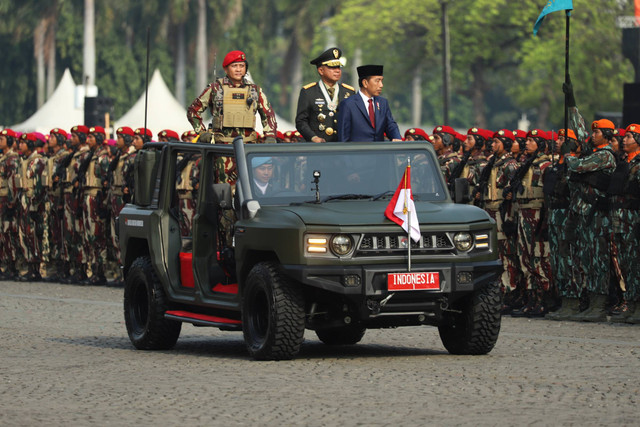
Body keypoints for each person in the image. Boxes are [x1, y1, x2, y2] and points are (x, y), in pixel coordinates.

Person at [565, 119, 616, 321]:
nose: (592, 135)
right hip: (587, 212)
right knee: (588, 257)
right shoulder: (595, 152)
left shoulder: (605, 156)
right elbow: (579, 132)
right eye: (592, 132)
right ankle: (592, 300)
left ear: (606, 134)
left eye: (597, 133)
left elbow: (578, 166)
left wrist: (568, 156)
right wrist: (572, 107)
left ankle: (600, 304)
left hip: (598, 214)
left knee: (598, 259)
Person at [187, 50, 277, 144]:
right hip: (221, 148)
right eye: (234, 66)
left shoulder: (255, 90)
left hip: (247, 147)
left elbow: (268, 115)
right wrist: (202, 133)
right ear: (226, 69)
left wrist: (270, 136)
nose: (238, 70)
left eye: (242, 66)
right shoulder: (215, 89)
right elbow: (193, 111)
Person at [295, 47, 355, 142]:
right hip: (319, 148)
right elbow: (301, 121)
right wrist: (313, 137)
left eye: (338, 67)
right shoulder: (308, 92)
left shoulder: (349, 92)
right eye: (332, 67)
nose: (337, 70)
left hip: (343, 147)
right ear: (321, 71)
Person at [337, 64, 402, 142]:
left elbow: (391, 125)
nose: (381, 85)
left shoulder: (382, 103)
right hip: (358, 153)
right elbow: (343, 137)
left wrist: (396, 137)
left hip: (379, 152)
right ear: (365, 83)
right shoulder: (348, 104)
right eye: (377, 81)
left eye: (381, 81)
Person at [81, 126, 111, 286]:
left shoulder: (102, 158)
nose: (88, 140)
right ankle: (92, 269)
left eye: (91, 137)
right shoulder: (91, 156)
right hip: (88, 197)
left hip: (96, 197)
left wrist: (103, 203)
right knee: (89, 236)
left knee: (97, 235)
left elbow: (107, 182)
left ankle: (100, 271)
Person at [0, 129, 21, 280]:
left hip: (6, 200)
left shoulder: (12, 160)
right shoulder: (3, 158)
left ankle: (12, 266)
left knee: (8, 233)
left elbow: (13, 183)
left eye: (2, 139)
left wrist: (11, 202)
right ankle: (5, 264)